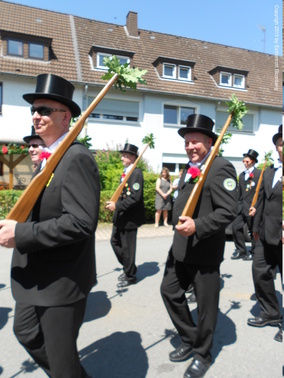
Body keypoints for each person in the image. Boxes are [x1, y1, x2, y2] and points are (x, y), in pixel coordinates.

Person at [0, 73, 100, 377]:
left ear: (65, 116)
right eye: (34, 110)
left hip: (61, 280)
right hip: (33, 276)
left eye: (44, 110)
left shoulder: (76, 157)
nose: (36, 115)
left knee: (62, 360)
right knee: (27, 332)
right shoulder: (41, 158)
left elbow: (82, 222)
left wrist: (21, 233)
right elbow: (11, 182)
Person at [160, 114, 238, 378]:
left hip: (204, 251)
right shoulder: (188, 167)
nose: (190, 147)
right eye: (187, 142)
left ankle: (202, 355)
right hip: (179, 248)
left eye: (195, 142)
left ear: (209, 141)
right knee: (169, 292)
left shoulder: (221, 167)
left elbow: (229, 211)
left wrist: (198, 226)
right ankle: (190, 337)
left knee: (206, 308)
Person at [247, 125, 283, 342]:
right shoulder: (268, 171)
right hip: (265, 234)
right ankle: (270, 312)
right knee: (259, 271)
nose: (282, 147)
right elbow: (260, 200)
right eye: (281, 143)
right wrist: (256, 229)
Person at [106, 143, 145, 288]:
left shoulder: (136, 173)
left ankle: (130, 275)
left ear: (133, 157)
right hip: (120, 216)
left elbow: (135, 197)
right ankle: (129, 266)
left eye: (125, 155)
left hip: (129, 218)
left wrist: (117, 206)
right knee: (114, 241)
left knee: (128, 247)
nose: (122, 158)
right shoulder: (127, 171)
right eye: (122, 155)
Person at [231, 149, 261, 261]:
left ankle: (254, 252)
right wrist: (236, 205)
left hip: (252, 207)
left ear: (253, 162)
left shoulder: (259, 174)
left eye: (247, 161)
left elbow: (260, 193)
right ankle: (241, 250)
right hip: (241, 206)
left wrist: (256, 206)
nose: (244, 163)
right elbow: (240, 192)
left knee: (253, 230)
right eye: (243, 161)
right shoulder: (242, 175)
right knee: (235, 227)